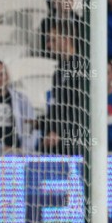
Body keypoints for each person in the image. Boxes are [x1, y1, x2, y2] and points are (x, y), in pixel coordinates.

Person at [42, 20, 89, 155]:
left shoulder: (82, 68)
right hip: (60, 137)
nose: (48, 45)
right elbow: (58, 105)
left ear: (66, 40)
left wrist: (59, 131)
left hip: (77, 139)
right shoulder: (58, 72)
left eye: (53, 40)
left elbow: (80, 107)